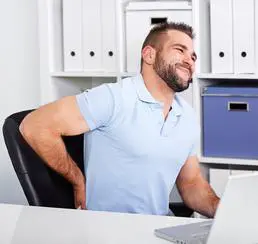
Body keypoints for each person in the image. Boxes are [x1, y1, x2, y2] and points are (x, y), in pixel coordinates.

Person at [19, 22, 219, 217]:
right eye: (180, 50)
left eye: (193, 56)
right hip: (110, 229)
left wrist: (225, 211)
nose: (189, 60)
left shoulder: (188, 117)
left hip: (158, 226)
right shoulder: (113, 98)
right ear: (149, 55)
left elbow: (191, 183)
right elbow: (35, 125)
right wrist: (77, 179)